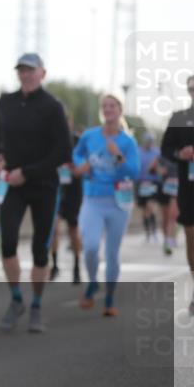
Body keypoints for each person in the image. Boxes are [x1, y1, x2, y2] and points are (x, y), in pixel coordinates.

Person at [0, 53, 72, 333]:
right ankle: (16, 300)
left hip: (44, 186)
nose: (25, 75)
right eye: (21, 70)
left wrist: (28, 172)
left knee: (40, 250)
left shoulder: (52, 107)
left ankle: (36, 305)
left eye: (30, 70)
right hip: (13, 183)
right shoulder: (6, 102)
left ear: (42, 73)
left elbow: (63, 151)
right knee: (8, 242)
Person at [72, 94, 140, 316]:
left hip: (118, 203)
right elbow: (77, 153)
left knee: (112, 253)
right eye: (105, 106)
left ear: (120, 110)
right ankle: (92, 282)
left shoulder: (128, 142)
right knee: (90, 247)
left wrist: (118, 156)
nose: (108, 109)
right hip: (92, 200)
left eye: (112, 106)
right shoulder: (90, 136)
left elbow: (134, 171)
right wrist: (81, 165)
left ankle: (109, 299)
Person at [161, 74, 194, 316]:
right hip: (189, 188)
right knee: (192, 237)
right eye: (192, 89)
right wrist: (180, 154)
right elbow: (166, 149)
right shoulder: (180, 118)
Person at [51, 112, 83, 283]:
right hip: (56, 188)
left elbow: (87, 162)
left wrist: (75, 166)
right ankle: (54, 265)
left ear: (70, 122)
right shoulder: (50, 139)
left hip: (73, 189)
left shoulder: (78, 140)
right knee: (53, 228)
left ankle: (77, 266)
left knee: (73, 229)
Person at [136, 131, 171, 252]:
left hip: (154, 182)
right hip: (141, 182)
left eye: (151, 141)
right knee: (145, 209)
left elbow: (162, 166)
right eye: (147, 141)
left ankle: (155, 231)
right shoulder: (138, 151)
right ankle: (148, 233)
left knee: (151, 206)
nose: (149, 144)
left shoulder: (157, 152)